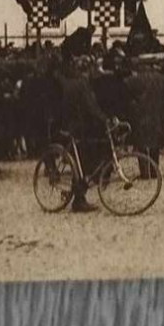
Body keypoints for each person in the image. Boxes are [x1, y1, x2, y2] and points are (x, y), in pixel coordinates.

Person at [57, 55, 109, 213]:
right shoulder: (82, 84)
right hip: (82, 128)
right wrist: (105, 119)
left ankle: (77, 193)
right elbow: (90, 106)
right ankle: (79, 199)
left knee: (80, 163)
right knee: (87, 161)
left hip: (72, 125)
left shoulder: (69, 83)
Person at [124, 55, 164, 167]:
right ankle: (155, 168)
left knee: (142, 143)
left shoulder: (134, 79)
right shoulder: (162, 79)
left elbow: (126, 96)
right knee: (155, 143)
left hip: (140, 115)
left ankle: (145, 170)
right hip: (157, 115)